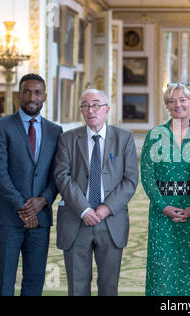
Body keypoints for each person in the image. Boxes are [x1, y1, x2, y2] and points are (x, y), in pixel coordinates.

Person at [54, 89, 138, 296]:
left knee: (109, 287)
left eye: (96, 105)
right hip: (76, 219)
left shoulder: (124, 138)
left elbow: (130, 180)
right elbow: (62, 177)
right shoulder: (67, 139)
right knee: (77, 286)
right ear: (81, 111)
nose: (91, 110)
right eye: (85, 106)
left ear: (107, 109)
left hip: (111, 222)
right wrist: (84, 209)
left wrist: (105, 209)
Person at [0, 73, 63, 296]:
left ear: (45, 96)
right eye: (27, 92)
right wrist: (24, 208)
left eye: (37, 92)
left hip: (41, 217)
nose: (32, 97)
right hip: (9, 216)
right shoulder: (1, 126)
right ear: (19, 95)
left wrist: (43, 201)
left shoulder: (55, 131)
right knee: (4, 280)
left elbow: (57, 174)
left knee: (35, 278)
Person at [141, 82, 190, 296]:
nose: (177, 104)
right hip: (162, 213)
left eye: (183, 100)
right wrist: (163, 206)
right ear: (167, 106)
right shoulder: (155, 135)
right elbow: (147, 176)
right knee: (162, 268)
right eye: (172, 101)